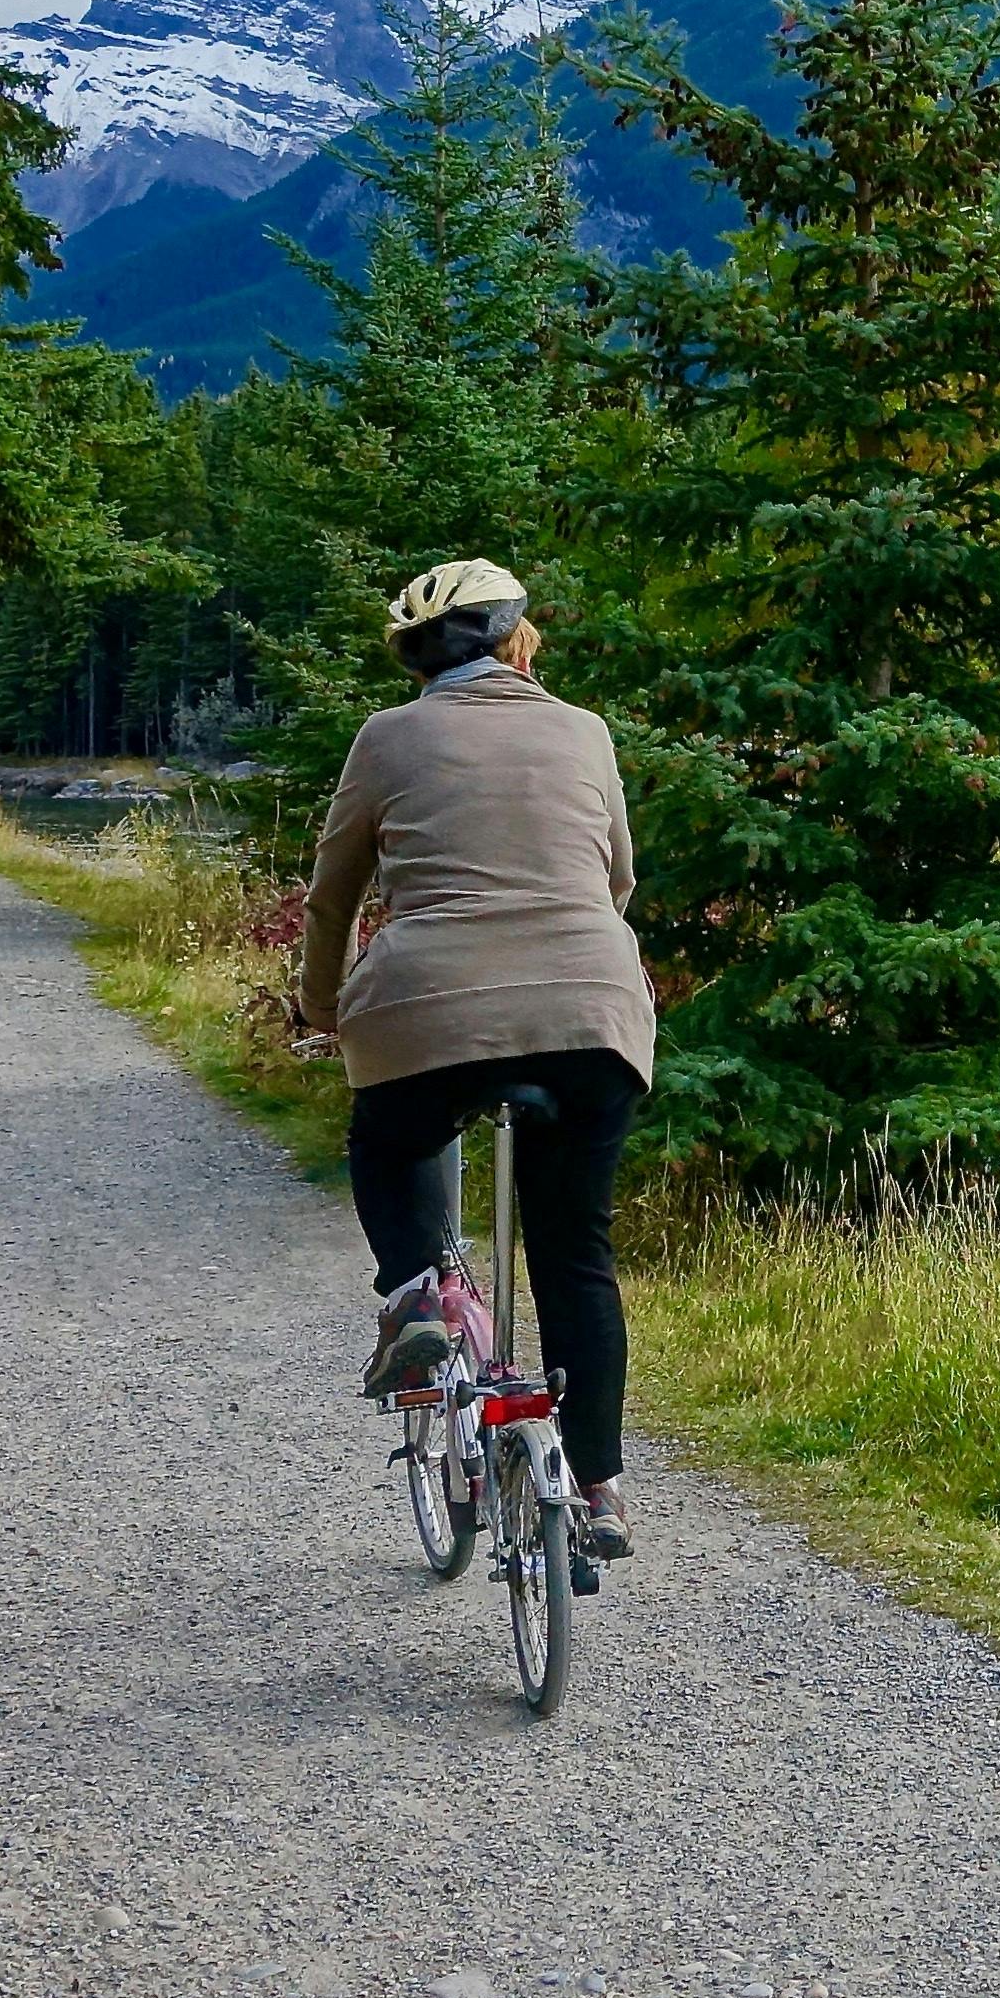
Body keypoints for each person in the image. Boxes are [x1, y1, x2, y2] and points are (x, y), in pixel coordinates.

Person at [295, 559, 660, 1559]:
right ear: (517, 642)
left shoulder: (388, 737)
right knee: (576, 1253)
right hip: (592, 1013)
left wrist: (321, 1007)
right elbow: (614, 879)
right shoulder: (584, 730)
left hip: (425, 1012)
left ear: (420, 664)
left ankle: (415, 1295)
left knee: (389, 1136)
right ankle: (601, 1492)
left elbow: (334, 895)